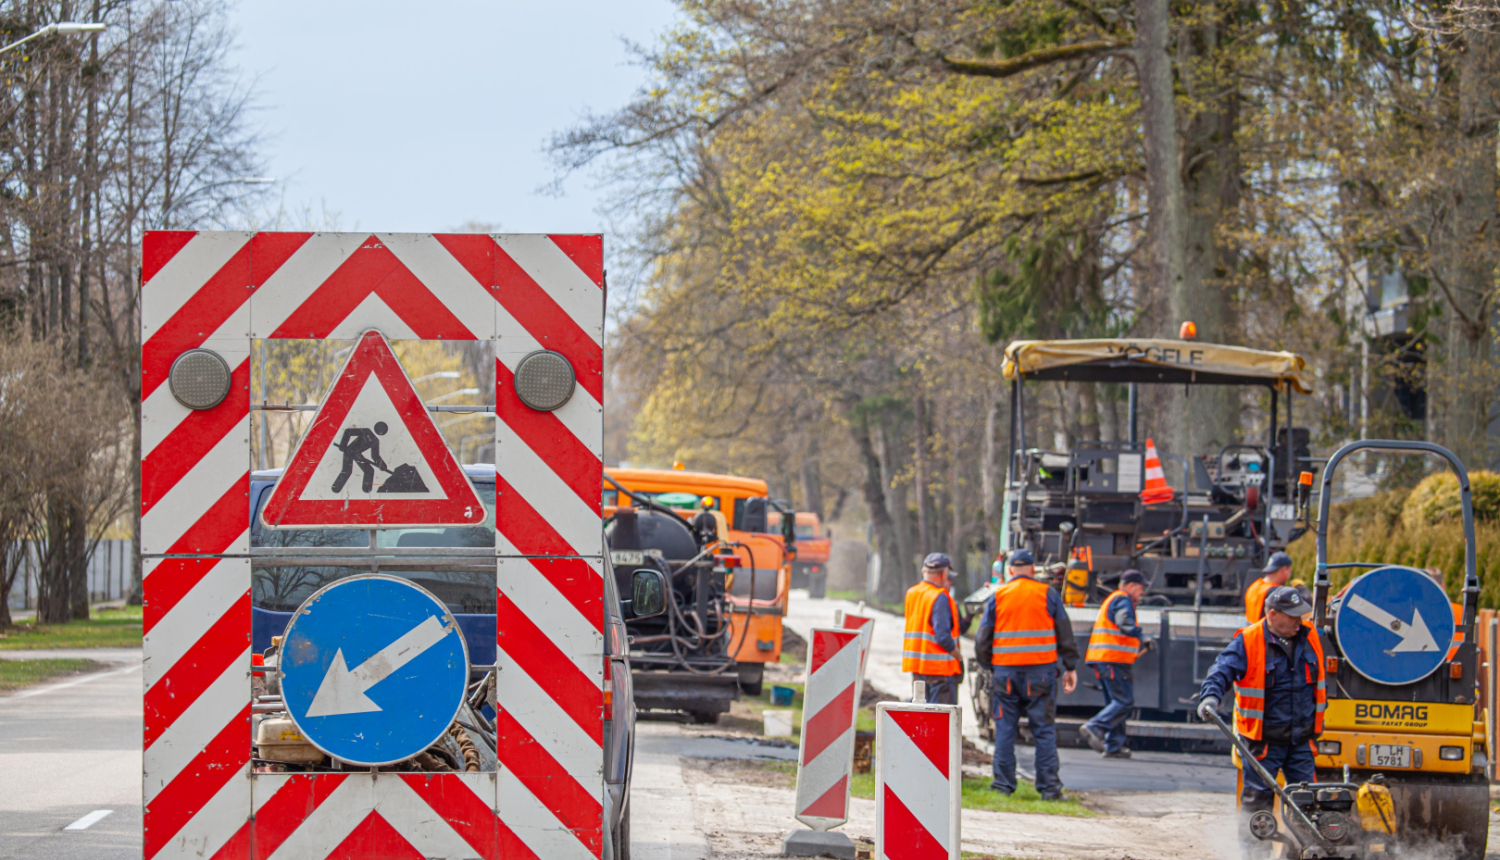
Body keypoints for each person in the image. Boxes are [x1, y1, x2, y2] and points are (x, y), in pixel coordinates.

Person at [1197, 586, 1325, 828]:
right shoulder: (1248, 640)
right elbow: (1220, 671)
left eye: (1301, 614)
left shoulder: (1311, 635)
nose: (1299, 620)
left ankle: (1300, 852)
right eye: (1293, 615)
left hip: (1301, 741)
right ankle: (1254, 853)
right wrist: (1210, 697)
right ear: (1273, 615)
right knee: (1258, 806)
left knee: (1306, 805)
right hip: (1263, 742)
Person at [975, 548, 1080, 800]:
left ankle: (1002, 786)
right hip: (1040, 676)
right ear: (1033, 569)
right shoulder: (1048, 594)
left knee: (1005, 731)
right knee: (1043, 731)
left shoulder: (998, 597)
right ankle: (1049, 789)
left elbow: (982, 641)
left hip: (1005, 676)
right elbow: (1065, 634)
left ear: (1010, 570)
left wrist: (990, 666)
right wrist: (1070, 667)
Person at [1079, 570, 1150, 759]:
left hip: (1106, 659)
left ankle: (1113, 746)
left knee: (1116, 702)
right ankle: (1095, 727)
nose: (1141, 593)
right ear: (1132, 586)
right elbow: (1123, 621)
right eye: (1141, 588)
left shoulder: (1114, 598)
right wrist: (1142, 636)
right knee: (1124, 702)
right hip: (1113, 660)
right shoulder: (1122, 600)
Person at [902, 552, 963, 705]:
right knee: (942, 724)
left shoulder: (912, 593)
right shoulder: (939, 596)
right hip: (940, 672)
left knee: (922, 720)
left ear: (924, 572)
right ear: (944, 574)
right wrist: (958, 656)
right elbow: (942, 636)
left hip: (918, 670)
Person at [332, 422, 389, 493]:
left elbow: (375, 456)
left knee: (369, 470)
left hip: (358, 455)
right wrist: (343, 444)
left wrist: (382, 464)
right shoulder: (366, 431)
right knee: (347, 471)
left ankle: (366, 491)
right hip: (349, 451)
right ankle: (336, 488)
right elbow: (348, 432)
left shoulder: (375, 441)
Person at [1244, 551, 1293, 624]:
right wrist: (1300, 587)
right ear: (1284, 569)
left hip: (1251, 633)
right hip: (1264, 634)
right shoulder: (1276, 592)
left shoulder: (1253, 586)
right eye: (1290, 571)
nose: (1289, 575)